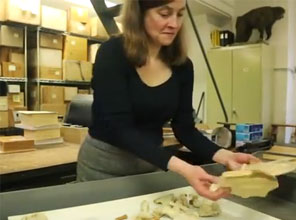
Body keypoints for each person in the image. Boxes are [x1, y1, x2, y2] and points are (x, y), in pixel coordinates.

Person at [77, 0, 260, 201]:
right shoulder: (113, 53)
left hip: (150, 165)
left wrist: (226, 155)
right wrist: (184, 168)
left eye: (180, 14)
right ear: (139, 14)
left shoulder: (182, 66)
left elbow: (185, 129)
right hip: (104, 168)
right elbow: (119, 128)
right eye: (164, 14)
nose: (174, 23)